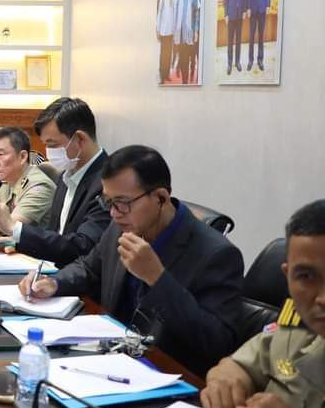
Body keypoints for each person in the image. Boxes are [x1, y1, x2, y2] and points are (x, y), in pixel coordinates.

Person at [19, 145, 244, 376]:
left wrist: (157, 278)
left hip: (164, 374)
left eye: (122, 202)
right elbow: (89, 267)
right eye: (108, 202)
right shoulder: (122, 226)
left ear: (161, 198)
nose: (114, 213)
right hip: (110, 357)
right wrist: (55, 283)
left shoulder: (216, 254)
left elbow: (217, 343)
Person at [201, 199, 325, 408]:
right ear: (288, 275)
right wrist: (225, 381)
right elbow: (240, 364)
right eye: (306, 276)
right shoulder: (300, 323)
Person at [0, 98, 110, 267]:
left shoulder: (109, 183)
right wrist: (20, 243)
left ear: (80, 139)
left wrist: (15, 229)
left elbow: (83, 247)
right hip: (52, 269)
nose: (48, 152)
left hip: (76, 278)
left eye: (53, 144)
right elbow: (56, 235)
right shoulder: (66, 176)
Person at [172, 0, 200, 84]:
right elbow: (175, 11)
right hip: (181, 33)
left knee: (190, 59)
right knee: (183, 60)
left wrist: (196, 31)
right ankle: (185, 82)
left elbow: (197, 11)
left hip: (190, 32)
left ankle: (189, 78)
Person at [224, 0, 249, 75]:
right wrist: (226, 14)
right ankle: (229, 63)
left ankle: (237, 62)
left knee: (238, 39)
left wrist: (245, 10)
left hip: (240, 13)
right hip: (231, 13)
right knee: (230, 40)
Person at [155, 0, 176, 82]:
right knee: (163, 54)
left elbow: (175, 12)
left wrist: (175, 29)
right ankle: (162, 75)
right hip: (163, 30)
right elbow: (159, 12)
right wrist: (157, 29)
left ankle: (167, 74)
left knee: (168, 54)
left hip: (171, 30)